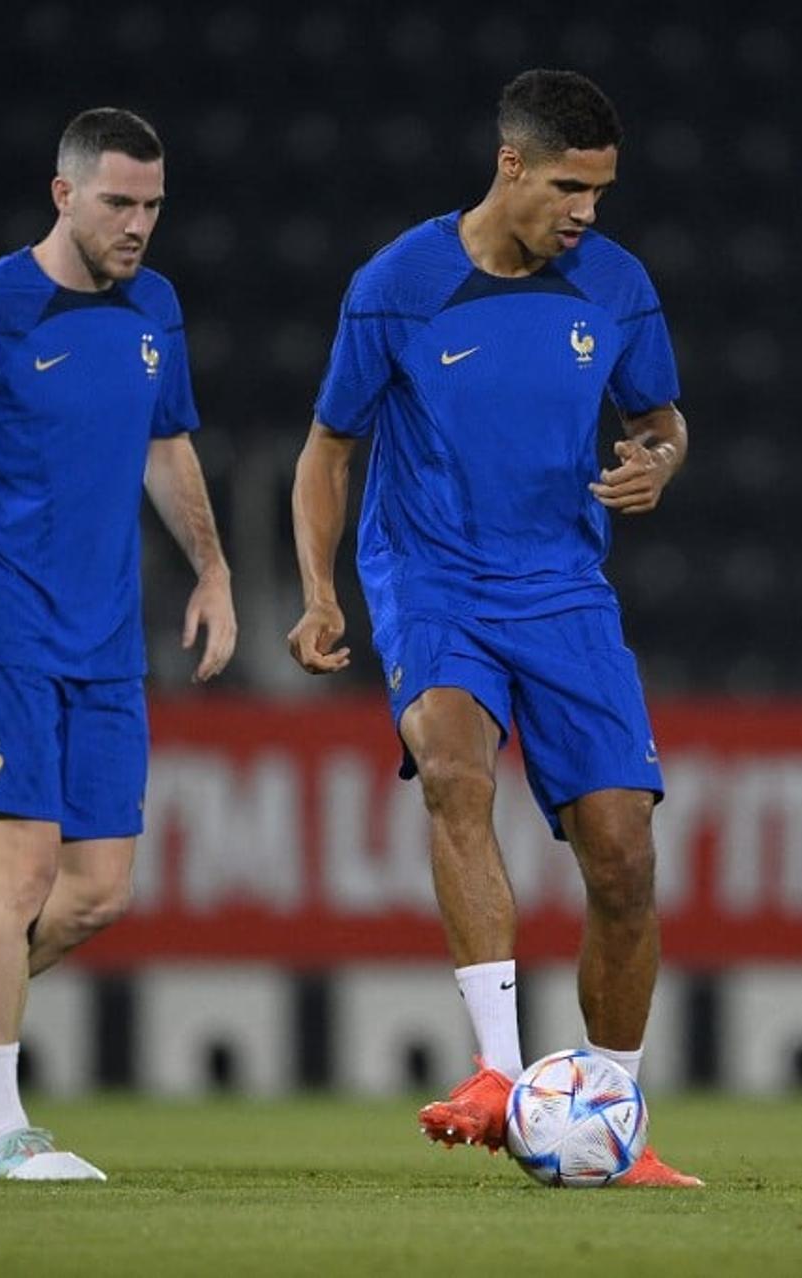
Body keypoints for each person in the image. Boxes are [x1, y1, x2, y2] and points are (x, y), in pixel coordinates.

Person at [287, 69, 699, 1187]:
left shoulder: (615, 285)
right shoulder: (399, 284)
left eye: (603, 193)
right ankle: (500, 1074)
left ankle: (611, 1120)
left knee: (623, 858)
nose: (587, 212)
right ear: (510, 165)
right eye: (571, 186)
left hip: (564, 590)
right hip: (433, 580)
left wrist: (656, 461)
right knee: (455, 772)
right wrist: (322, 593)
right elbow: (328, 449)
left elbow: (661, 415)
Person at [0, 107, 236, 1181]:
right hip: (4, 623)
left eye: (153, 206)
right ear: (62, 194)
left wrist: (212, 571)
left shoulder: (155, 307)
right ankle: (3, 1130)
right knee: (16, 880)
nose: (139, 226)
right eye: (119, 202)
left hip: (107, 638)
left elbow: (169, 448)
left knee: (100, 891)